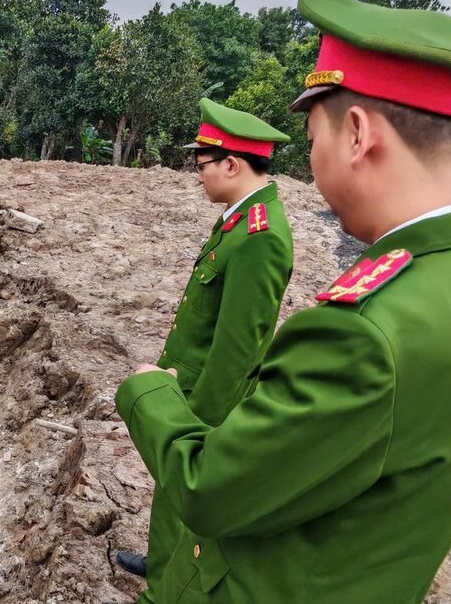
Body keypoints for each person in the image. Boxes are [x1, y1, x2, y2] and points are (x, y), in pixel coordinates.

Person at [115, 0, 451, 602]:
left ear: (357, 134)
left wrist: (148, 388)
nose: (308, 158)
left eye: (312, 138)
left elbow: (212, 487)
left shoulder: (364, 333)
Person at [114, 99, 294, 599]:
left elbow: (239, 348)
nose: (197, 177)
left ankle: (169, 582)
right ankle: (163, 563)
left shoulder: (261, 237)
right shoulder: (239, 221)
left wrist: (200, 424)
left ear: (232, 164)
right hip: (185, 381)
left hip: (205, 396)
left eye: (202, 166)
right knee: (171, 494)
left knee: (186, 488)